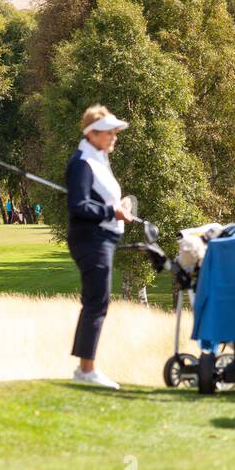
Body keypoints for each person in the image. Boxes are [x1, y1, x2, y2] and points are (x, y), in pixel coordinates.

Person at [67, 104, 135, 390]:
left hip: (102, 239)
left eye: (115, 132)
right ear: (92, 134)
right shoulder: (83, 162)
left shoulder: (98, 158)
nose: (114, 137)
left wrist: (121, 206)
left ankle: (86, 367)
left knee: (97, 302)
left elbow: (101, 199)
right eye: (109, 133)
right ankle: (86, 369)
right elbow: (79, 206)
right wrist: (112, 213)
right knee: (96, 302)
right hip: (91, 239)